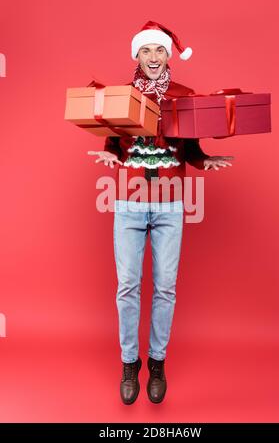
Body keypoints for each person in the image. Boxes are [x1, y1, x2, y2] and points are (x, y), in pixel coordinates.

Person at [88, 21, 234, 405]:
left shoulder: (185, 96)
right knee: (128, 287)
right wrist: (111, 153)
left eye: (160, 51)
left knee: (165, 287)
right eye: (146, 51)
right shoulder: (122, 96)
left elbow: (192, 147)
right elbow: (115, 142)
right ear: (136, 55)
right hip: (128, 201)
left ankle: (157, 362)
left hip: (169, 202)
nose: (153, 57)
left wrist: (206, 161)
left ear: (169, 56)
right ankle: (128, 363)